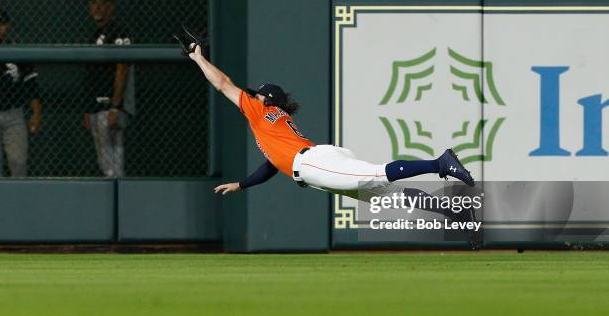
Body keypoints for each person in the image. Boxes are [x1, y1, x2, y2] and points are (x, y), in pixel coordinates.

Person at [175, 27, 474, 199]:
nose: (252, 95)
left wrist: (199, 58)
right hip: (315, 162)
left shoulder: (260, 110)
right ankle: (453, 213)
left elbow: (223, 84)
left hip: (313, 162)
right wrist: (242, 184)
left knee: (378, 174)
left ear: (268, 101)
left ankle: (440, 162)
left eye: (258, 94)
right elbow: (270, 166)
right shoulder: (277, 123)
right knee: (386, 197)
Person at [83, 0, 135, 177]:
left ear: (110, 7)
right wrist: (88, 108)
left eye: (102, 3)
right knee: (106, 163)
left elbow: (123, 68)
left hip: (112, 107)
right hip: (97, 108)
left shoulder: (118, 32)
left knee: (114, 163)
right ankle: (116, 200)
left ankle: (119, 202)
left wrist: (115, 106)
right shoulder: (94, 36)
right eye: (94, 3)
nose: (98, 8)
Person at [0, 8, 42, 177]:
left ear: (7, 26)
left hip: (14, 114)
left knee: (18, 163)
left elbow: (32, 84)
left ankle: (17, 202)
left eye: (2, 24)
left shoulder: (18, 50)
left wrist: (36, 113)